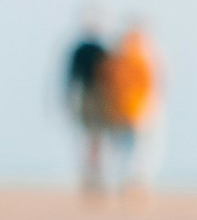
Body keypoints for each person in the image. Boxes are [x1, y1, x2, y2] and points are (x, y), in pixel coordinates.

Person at [102, 20, 164, 194]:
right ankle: (132, 182)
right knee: (136, 149)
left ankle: (126, 180)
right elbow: (150, 85)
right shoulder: (138, 58)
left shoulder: (116, 58)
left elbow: (106, 84)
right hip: (135, 110)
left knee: (124, 149)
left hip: (121, 110)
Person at [62, 10, 113, 196]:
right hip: (92, 97)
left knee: (94, 139)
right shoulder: (92, 50)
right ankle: (90, 178)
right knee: (92, 139)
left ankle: (92, 178)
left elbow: (71, 78)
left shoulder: (98, 50)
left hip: (94, 97)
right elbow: (72, 77)